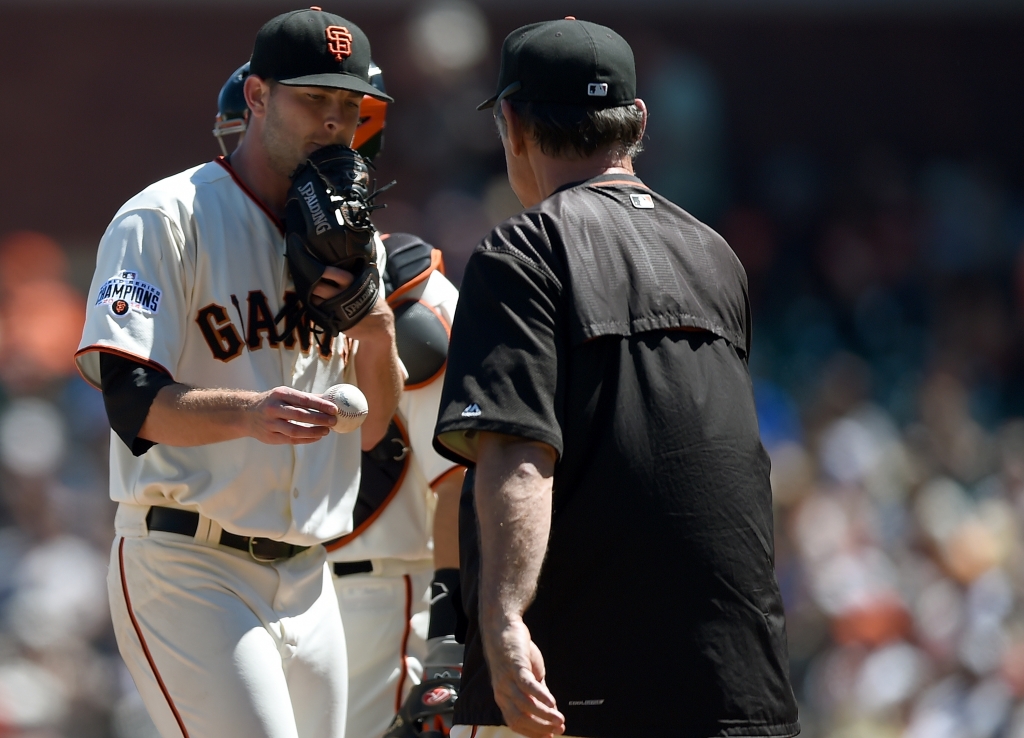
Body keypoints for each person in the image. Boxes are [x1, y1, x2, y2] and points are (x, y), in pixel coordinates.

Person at [433, 17, 801, 738]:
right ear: (637, 121)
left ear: (512, 125)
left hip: (575, 686)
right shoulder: (717, 254)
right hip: (740, 682)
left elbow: (517, 453)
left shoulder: (522, 250)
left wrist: (503, 621)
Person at [75, 8, 402, 738]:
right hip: (191, 566)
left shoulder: (357, 241)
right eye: (312, 99)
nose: (333, 123)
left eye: (347, 107)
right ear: (256, 96)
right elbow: (132, 404)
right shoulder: (165, 216)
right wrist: (251, 414)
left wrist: (376, 329)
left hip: (310, 580)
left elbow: (377, 429)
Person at [327, 232, 465, 738]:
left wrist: (449, 639)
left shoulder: (403, 286)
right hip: (249, 584)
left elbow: (458, 479)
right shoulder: (223, 270)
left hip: (378, 595)